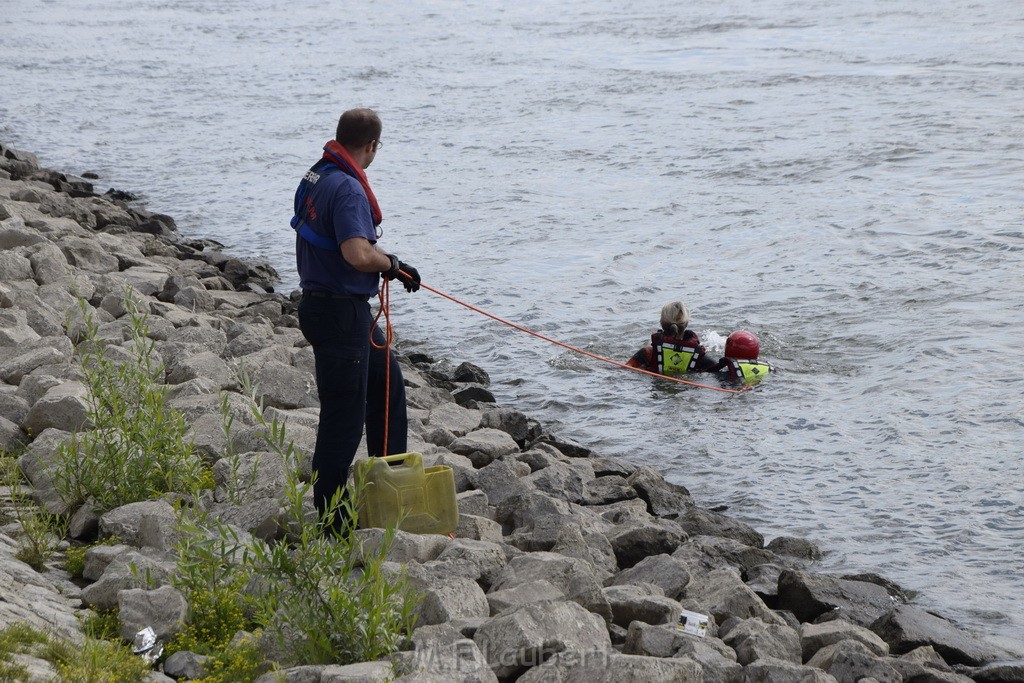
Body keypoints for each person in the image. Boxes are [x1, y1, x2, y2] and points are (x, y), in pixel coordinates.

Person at [292, 107, 422, 528]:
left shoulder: (317, 174)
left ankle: (388, 493)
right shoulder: (347, 188)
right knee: (342, 421)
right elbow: (357, 254)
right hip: (338, 312)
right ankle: (333, 523)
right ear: (371, 146)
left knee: (388, 388)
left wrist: (391, 266)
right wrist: (390, 264)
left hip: (333, 306)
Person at [626, 301, 718, 376]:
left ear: (661, 323)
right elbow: (719, 373)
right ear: (686, 324)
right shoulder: (700, 357)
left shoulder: (647, 353)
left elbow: (626, 371)